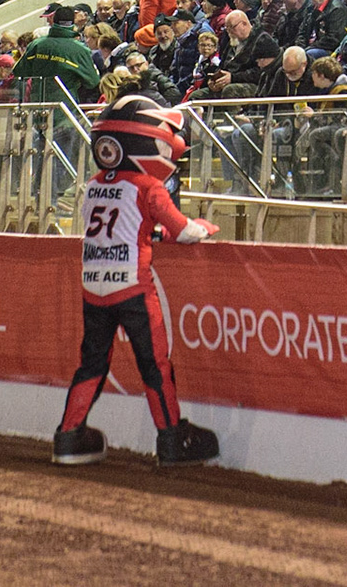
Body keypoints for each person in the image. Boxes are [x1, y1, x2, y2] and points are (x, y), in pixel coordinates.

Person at [52, 96, 222, 468]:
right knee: (154, 363)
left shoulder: (94, 184)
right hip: (133, 287)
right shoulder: (148, 186)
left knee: (92, 363)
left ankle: (68, 435)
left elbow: (122, 227)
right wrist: (204, 227)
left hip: (93, 286)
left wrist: (153, 233)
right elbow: (185, 231)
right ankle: (172, 439)